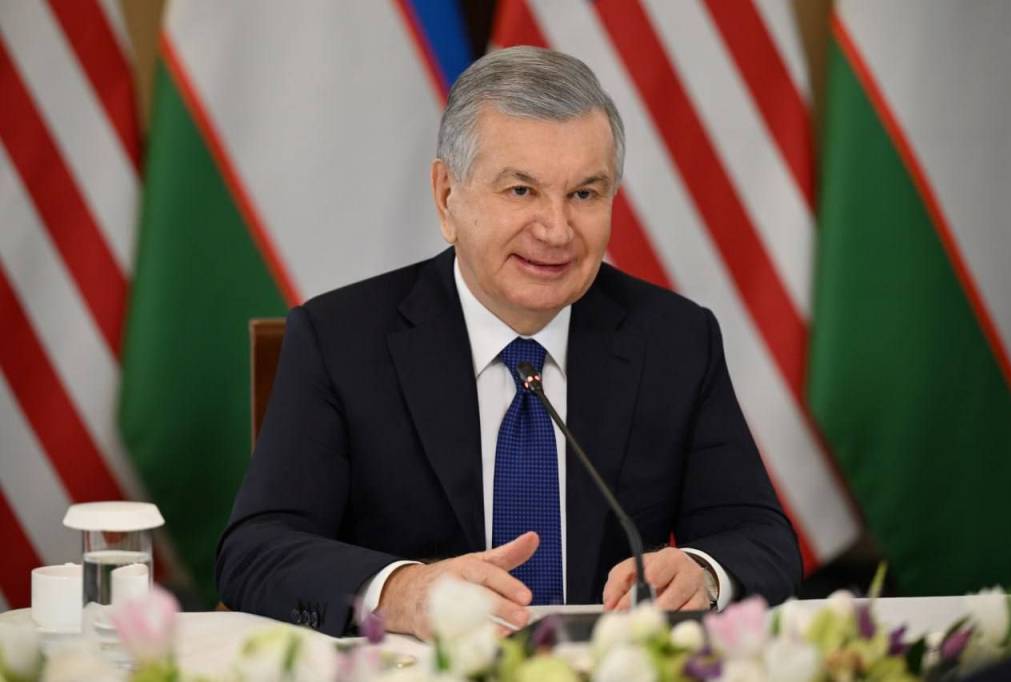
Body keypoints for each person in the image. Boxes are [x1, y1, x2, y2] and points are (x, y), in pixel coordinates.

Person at [216, 46, 801, 639]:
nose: (556, 230)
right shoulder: (341, 340)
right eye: (521, 191)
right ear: (447, 196)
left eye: (584, 194)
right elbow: (256, 549)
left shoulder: (675, 340)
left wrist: (701, 573)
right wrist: (399, 592)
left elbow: (760, 536)